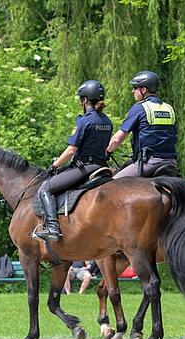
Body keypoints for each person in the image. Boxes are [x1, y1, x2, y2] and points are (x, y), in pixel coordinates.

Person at [35, 80, 113, 241]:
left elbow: (72, 150)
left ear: (85, 100)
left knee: (45, 188)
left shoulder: (85, 121)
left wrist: (55, 165)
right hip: (102, 167)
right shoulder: (107, 121)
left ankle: (52, 228)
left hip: (85, 167)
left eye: (81, 100)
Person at [106, 70, 178, 178]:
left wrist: (107, 151)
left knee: (110, 186)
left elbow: (117, 139)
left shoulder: (139, 108)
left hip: (149, 163)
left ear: (144, 90)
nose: (132, 91)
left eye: (135, 88)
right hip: (171, 162)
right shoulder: (168, 108)